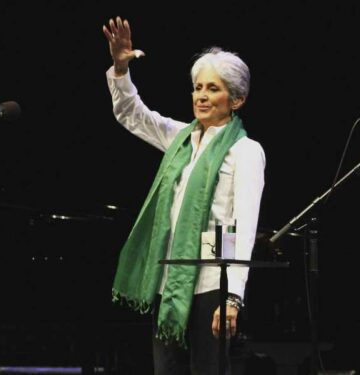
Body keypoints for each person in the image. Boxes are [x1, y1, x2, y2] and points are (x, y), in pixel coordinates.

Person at [103, 16, 266, 374]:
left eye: (213, 89)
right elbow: (132, 114)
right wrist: (120, 68)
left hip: (212, 284)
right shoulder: (181, 138)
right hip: (170, 281)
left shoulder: (246, 151)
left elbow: (244, 227)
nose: (201, 96)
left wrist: (232, 297)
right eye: (197, 87)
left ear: (237, 99)